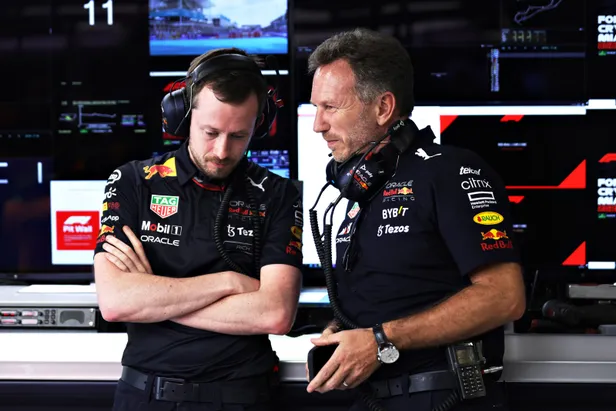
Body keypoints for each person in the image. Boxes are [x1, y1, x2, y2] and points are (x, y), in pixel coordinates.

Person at [304, 28, 526, 411]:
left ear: (383, 107)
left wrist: (380, 339)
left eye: (330, 107)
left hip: (442, 398)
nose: (317, 124)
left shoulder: (450, 172)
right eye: (315, 108)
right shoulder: (363, 190)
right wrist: (342, 331)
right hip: (372, 399)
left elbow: (505, 297)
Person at [93, 47, 303, 411]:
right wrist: (230, 283)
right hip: (146, 397)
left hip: (243, 398)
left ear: (258, 126)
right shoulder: (133, 181)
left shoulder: (278, 194)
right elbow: (115, 302)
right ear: (184, 114)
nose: (221, 151)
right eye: (211, 132)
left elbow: (275, 313)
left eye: (238, 136)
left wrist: (154, 297)